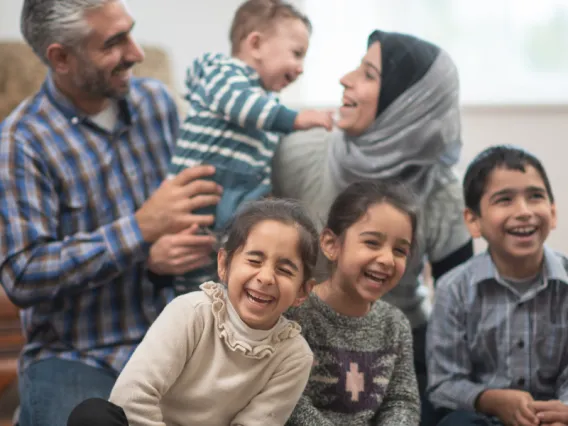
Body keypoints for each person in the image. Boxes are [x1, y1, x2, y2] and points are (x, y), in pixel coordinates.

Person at [0, 1, 222, 425]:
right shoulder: (21, 142)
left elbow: (185, 220)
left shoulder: (157, 103)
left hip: (176, 340)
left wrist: (159, 258)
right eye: (114, 42)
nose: (137, 53)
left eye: (130, 33)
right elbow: (23, 273)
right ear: (61, 57)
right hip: (77, 356)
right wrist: (139, 232)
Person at [272, 30, 473, 425]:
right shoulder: (296, 154)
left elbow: (460, 308)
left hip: (398, 350)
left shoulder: (441, 192)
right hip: (301, 340)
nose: (345, 79)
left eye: (367, 74)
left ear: (409, 104)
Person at [67, 199, 318, 426]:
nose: (265, 277)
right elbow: (131, 397)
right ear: (223, 265)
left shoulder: (294, 356)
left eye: (284, 270)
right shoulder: (190, 312)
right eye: (254, 260)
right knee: (92, 415)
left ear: (303, 291)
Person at [168, 0, 333, 293]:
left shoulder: (269, 105)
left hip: (235, 196)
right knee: (190, 278)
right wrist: (297, 119)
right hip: (200, 193)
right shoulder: (223, 73)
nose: (300, 68)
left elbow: (263, 156)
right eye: (296, 54)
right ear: (255, 44)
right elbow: (242, 107)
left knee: (228, 272)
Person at [427, 146, 568, 426]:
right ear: (473, 221)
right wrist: (490, 399)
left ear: (552, 213)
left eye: (535, 197)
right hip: (485, 418)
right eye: (504, 200)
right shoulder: (453, 289)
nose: (524, 211)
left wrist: (561, 411)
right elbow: (444, 383)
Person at [286, 180, 421, 425]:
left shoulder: (395, 324)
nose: (387, 259)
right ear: (330, 244)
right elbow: (289, 400)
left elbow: (401, 400)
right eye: (372, 242)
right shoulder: (295, 314)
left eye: (400, 250)